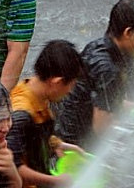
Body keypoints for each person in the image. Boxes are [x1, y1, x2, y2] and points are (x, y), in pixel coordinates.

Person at [55, 0, 134, 147]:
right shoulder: (108, 69)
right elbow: (103, 128)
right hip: (78, 145)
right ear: (128, 33)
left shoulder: (99, 46)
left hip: (71, 126)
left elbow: (106, 99)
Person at [7, 39, 84, 185]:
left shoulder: (34, 89)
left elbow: (33, 137)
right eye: (71, 85)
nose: (70, 91)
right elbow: (12, 167)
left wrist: (58, 145)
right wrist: (55, 180)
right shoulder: (21, 114)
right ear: (57, 82)